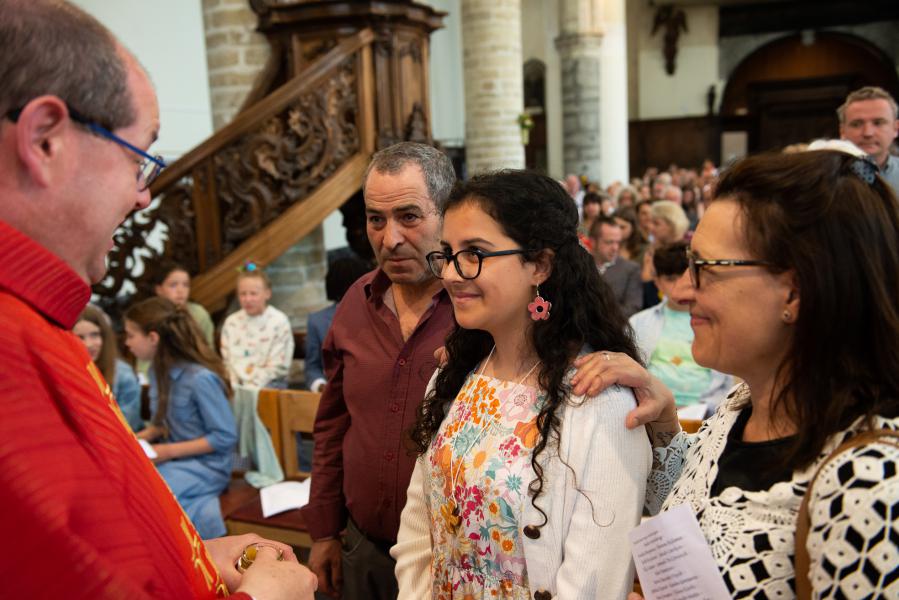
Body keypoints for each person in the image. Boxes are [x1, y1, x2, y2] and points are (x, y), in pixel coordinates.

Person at [0, 2, 316, 597]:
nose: (145, 198)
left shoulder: (39, 322)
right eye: (140, 159)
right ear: (44, 140)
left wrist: (187, 553)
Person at [304, 143, 613, 600]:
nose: (389, 238)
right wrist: (324, 529)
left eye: (409, 216)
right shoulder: (357, 304)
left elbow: (590, 564)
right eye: (375, 219)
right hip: (369, 547)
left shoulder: (483, 318)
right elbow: (334, 424)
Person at [595, 150, 899, 598]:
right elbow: (711, 511)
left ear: (794, 291)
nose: (682, 290)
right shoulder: (740, 407)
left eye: (705, 269)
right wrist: (666, 428)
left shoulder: (873, 482)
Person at [392, 170, 651, 599]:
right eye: (447, 254)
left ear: (540, 264)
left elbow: (593, 584)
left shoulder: (596, 400)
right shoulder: (454, 376)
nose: (453, 274)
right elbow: (420, 531)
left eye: (474, 253)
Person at [125, 297, 238, 539]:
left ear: (153, 338)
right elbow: (161, 425)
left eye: (131, 335)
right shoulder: (157, 371)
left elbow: (224, 437)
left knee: (150, 494)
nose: (127, 343)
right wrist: (132, 439)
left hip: (209, 466)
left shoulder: (200, 379)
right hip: (177, 460)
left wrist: (165, 452)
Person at [628, 242, 731, 414]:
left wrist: (706, 409)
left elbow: (727, 381)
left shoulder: (717, 322)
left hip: (707, 413)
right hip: (651, 410)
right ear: (657, 283)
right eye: (670, 279)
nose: (679, 285)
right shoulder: (638, 323)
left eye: (684, 277)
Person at [220, 264, 294, 389]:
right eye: (243, 294)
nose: (248, 299)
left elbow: (278, 366)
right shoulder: (231, 322)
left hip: (269, 386)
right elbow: (228, 363)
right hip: (235, 386)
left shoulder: (279, 322)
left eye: (253, 294)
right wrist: (235, 386)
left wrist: (251, 388)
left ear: (267, 293)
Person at [305, 256, 371, 392]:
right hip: (334, 392)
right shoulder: (317, 320)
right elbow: (312, 367)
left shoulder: (377, 314)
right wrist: (320, 386)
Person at [73, 304, 143, 431]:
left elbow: (127, 425)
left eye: (94, 335)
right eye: (80, 337)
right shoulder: (65, 370)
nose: (88, 344)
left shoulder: (123, 374)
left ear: (104, 336)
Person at [838, 86, 899, 192]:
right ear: (842, 131)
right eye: (856, 124)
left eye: (878, 123)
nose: (868, 133)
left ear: (896, 129)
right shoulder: (823, 177)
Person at [154, 262, 215, 348]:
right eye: (173, 285)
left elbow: (209, 351)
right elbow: (144, 358)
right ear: (159, 290)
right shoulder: (150, 316)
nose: (180, 290)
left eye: (186, 285)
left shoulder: (199, 314)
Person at [591, 216, 642, 317]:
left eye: (618, 242)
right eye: (609, 242)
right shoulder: (580, 266)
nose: (615, 248)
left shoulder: (631, 269)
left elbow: (633, 308)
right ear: (593, 242)